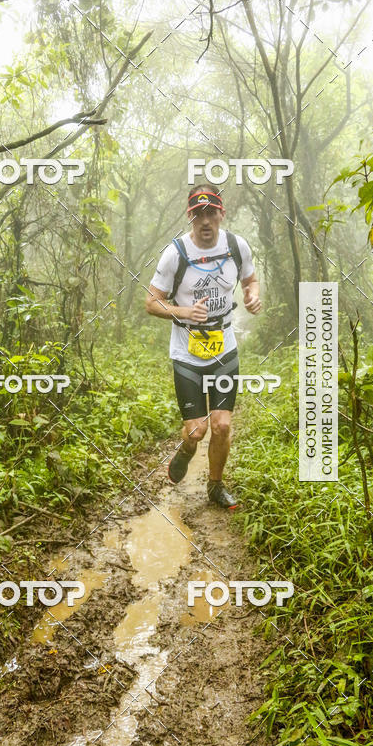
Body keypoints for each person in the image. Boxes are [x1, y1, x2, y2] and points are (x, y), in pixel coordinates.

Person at [145, 183, 262, 508]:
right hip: (187, 354)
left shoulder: (237, 246)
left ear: (222, 214)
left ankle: (215, 486)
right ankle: (186, 449)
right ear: (190, 217)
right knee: (196, 431)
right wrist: (183, 311)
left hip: (224, 348)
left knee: (221, 425)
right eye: (199, 215)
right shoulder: (175, 254)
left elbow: (250, 280)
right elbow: (151, 303)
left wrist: (252, 295)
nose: (206, 221)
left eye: (211, 213)